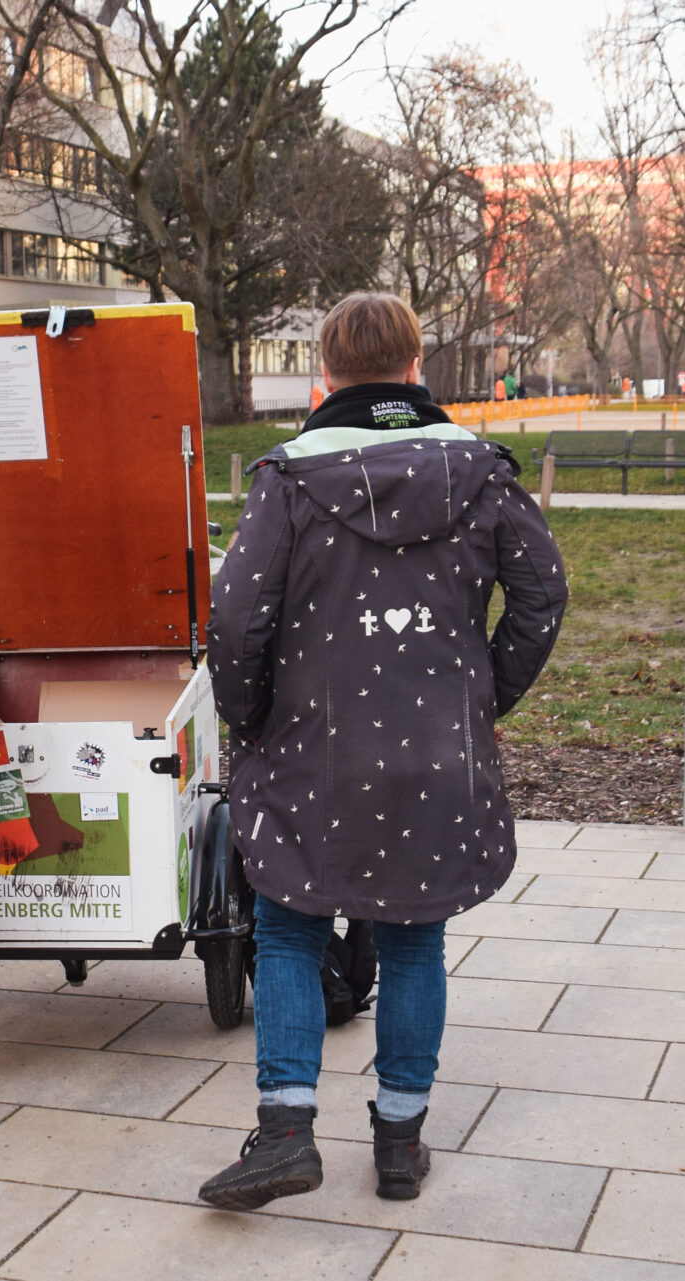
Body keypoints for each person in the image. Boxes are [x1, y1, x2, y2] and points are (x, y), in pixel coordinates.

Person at [198, 292, 568, 1211]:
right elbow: (543, 595)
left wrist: (250, 723)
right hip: (439, 757)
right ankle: (399, 1144)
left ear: (324, 375)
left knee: (286, 928)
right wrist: (482, 698)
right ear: (415, 370)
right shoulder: (482, 472)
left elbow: (236, 623)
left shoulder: (288, 480)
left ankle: (286, 1132)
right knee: (413, 943)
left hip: (312, 753)